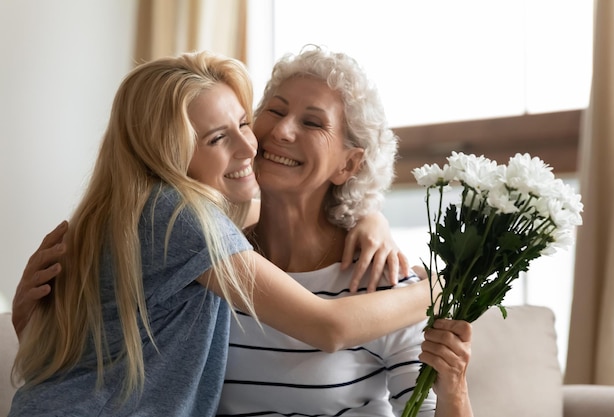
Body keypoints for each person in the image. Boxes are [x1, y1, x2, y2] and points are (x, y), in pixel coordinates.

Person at [8, 51, 434, 417]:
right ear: (170, 154)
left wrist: (368, 216)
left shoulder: (152, 214)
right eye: (216, 138)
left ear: (349, 163)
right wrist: (441, 287)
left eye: (244, 124)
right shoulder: (185, 222)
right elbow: (329, 327)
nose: (254, 145)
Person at [217, 46, 473, 416]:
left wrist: (456, 387)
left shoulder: (383, 286)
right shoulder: (216, 263)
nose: (283, 130)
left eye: (312, 122)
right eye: (275, 110)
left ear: (348, 164)